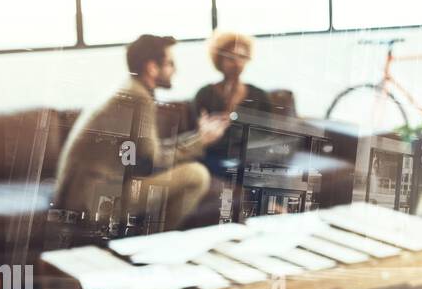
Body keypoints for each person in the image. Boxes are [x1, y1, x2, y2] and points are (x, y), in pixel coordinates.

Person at [54, 34, 229, 233]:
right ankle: (158, 246)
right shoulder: (137, 97)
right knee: (196, 175)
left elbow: (151, 150)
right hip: (91, 201)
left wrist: (197, 137)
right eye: (170, 64)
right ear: (152, 67)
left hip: (80, 196)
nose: (176, 70)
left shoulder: (130, 89)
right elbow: (155, 160)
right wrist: (202, 141)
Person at [194, 30, 273, 119]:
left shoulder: (259, 95)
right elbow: (196, 128)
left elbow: (267, 132)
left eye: (242, 57)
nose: (237, 63)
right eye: (231, 58)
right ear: (219, 60)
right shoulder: (205, 94)